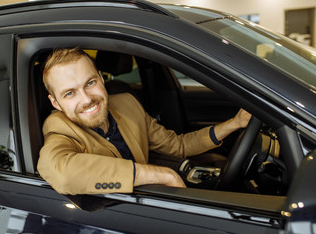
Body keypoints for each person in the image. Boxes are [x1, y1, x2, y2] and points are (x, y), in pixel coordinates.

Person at [37, 48, 251, 195]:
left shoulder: (127, 104)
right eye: (69, 93)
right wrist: (162, 174)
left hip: (156, 199)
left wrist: (234, 123)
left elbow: (178, 145)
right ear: (55, 102)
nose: (86, 99)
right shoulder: (59, 130)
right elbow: (61, 173)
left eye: (90, 82)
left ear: (101, 78)